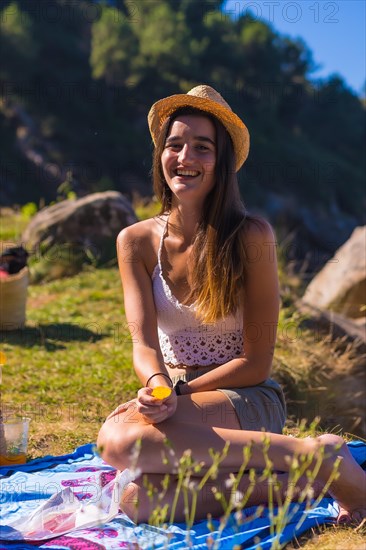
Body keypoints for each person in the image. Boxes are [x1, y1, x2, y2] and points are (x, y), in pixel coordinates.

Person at [97, 85, 365, 525]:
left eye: (202, 147)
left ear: (222, 163)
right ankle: (307, 475)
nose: (185, 157)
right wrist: (158, 386)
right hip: (176, 397)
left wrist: (179, 394)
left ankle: (309, 451)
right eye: (174, 145)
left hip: (245, 397)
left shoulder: (251, 237)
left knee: (120, 443)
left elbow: (255, 364)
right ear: (159, 155)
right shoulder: (135, 241)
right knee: (136, 500)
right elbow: (142, 342)